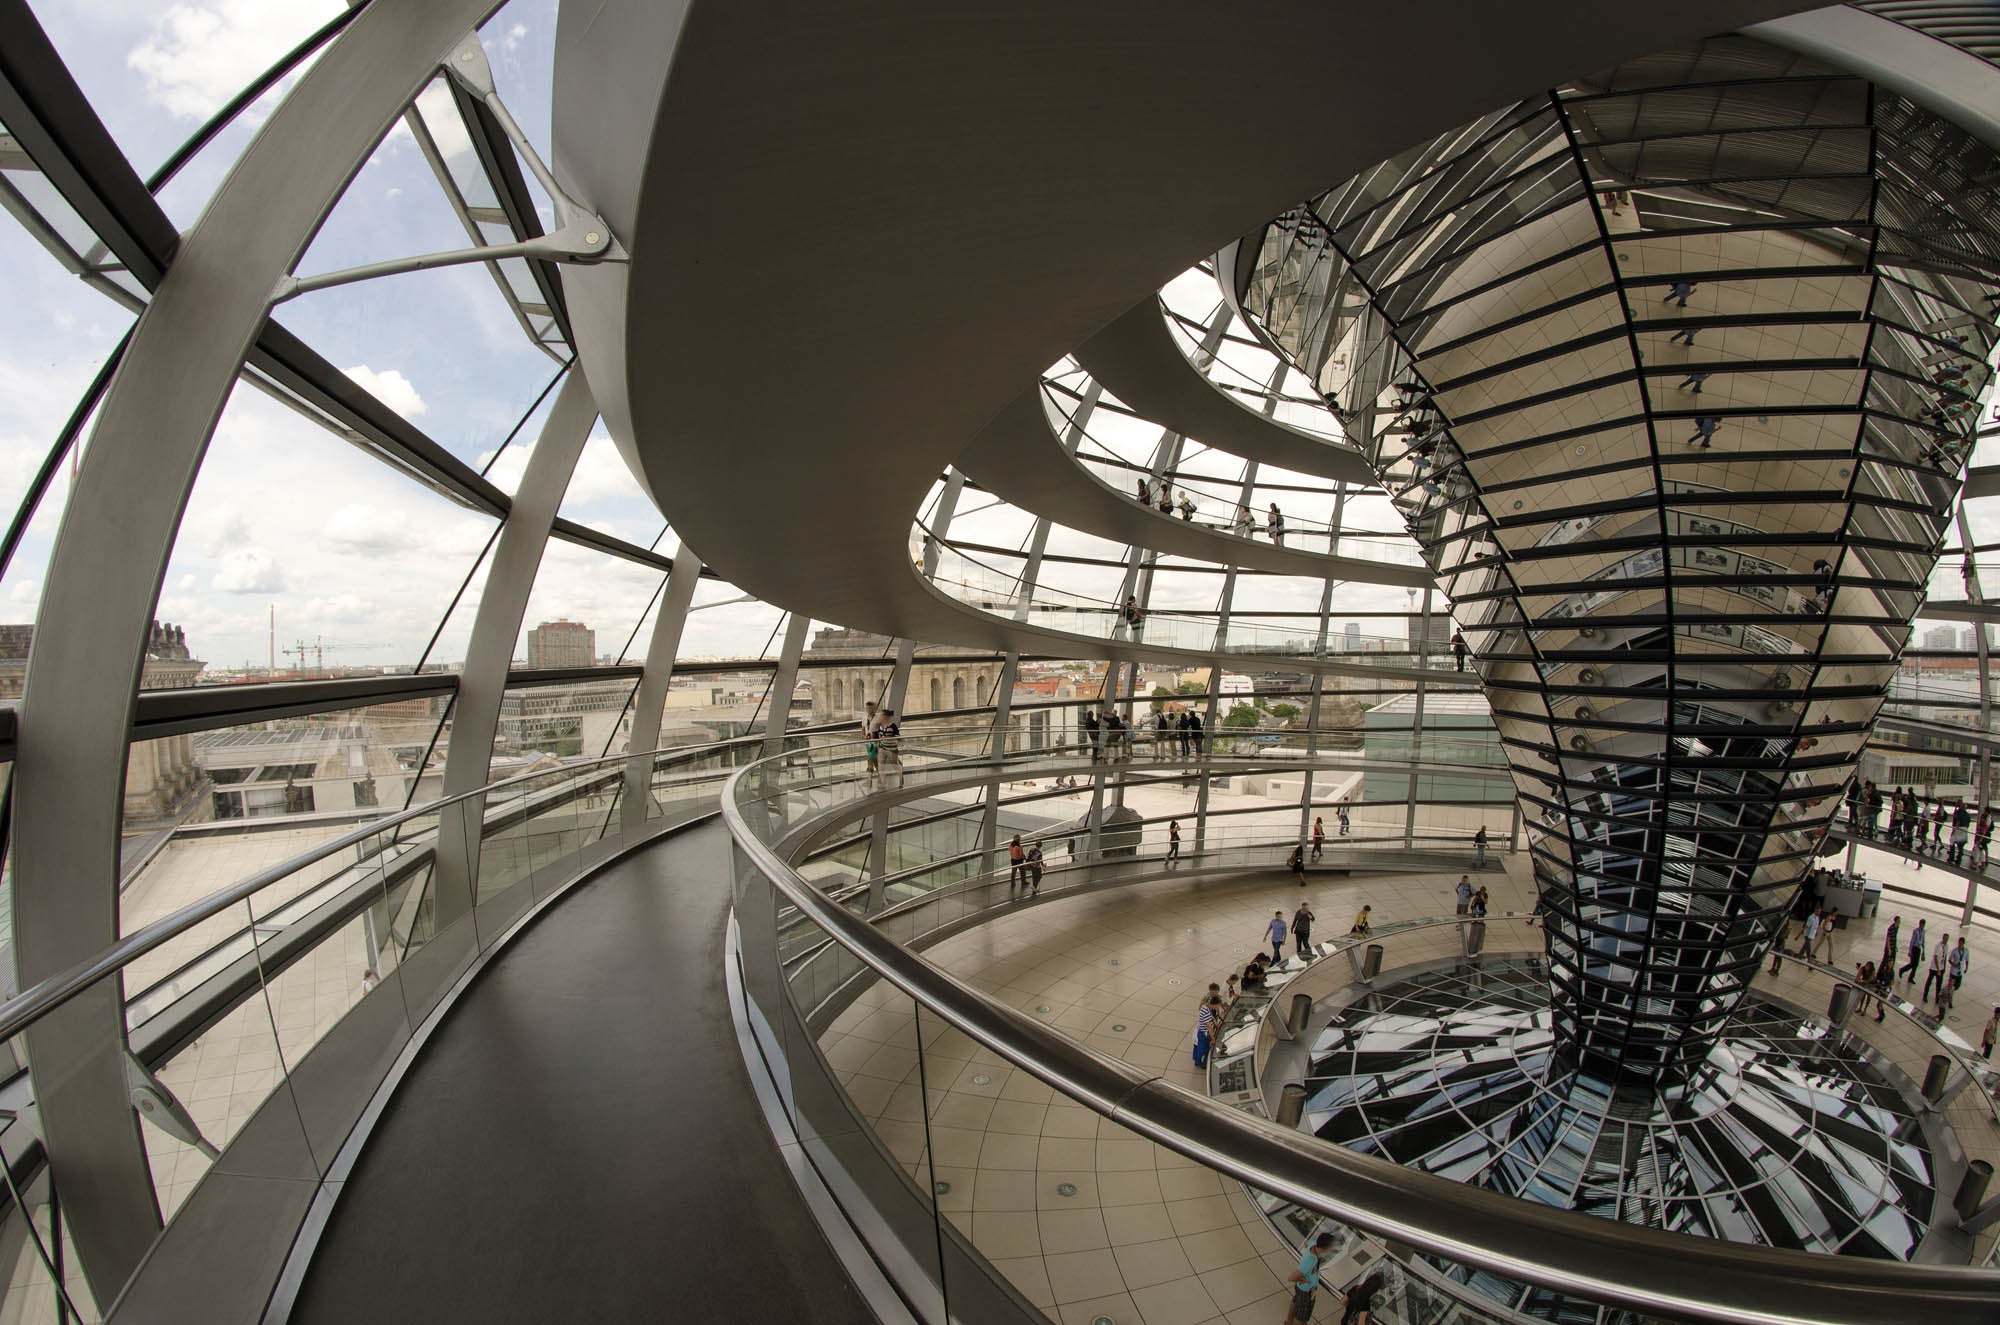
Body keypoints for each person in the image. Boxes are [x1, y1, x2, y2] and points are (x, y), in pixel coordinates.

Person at [1284, 1231, 1338, 1325]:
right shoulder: (1310, 1260)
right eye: (1330, 1247)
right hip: (1306, 1291)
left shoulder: (1313, 1245)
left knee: (1296, 1301)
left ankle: (1288, 1322)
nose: (1331, 1250)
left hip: (1301, 1289)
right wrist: (1305, 1280)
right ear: (1324, 1248)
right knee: (1301, 1317)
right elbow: (1291, 1278)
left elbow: (1306, 1243)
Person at [1192, 993, 1221, 1068]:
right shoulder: (1206, 1012)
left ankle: (1198, 1060)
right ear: (1214, 1004)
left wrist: (1214, 1021)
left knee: (1200, 1047)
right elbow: (1209, 1027)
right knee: (1203, 1049)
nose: (1218, 1007)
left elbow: (1211, 1016)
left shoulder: (1206, 1007)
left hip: (1202, 1032)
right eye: (1217, 1006)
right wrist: (1213, 1039)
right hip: (1203, 1033)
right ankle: (1200, 1063)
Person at [1923, 933, 1950, 1003]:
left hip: (1941, 968)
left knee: (1939, 984)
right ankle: (1925, 996)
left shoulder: (1946, 946)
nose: (1946, 940)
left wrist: (1944, 967)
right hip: (1934, 968)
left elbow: (1945, 957)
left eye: (1947, 939)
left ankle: (1937, 998)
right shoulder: (1938, 946)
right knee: (1929, 982)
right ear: (1943, 938)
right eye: (1945, 938)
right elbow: (1935, 958)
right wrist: (1938, 969)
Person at [1902, 918, 1928, 983]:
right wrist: (1910, 951)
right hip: (1914, 948)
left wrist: (1923, 951)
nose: (1922, 926)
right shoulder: (1916, 931)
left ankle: (1911, 978)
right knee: (1912, 964)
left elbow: (1923, 941)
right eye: (1922, 924)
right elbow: (1912, 941)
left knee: (1916, 965)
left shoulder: (1924, 931)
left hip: (1918, 949)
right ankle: (1902, 970)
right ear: (1920, 924)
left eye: (1923, 925)